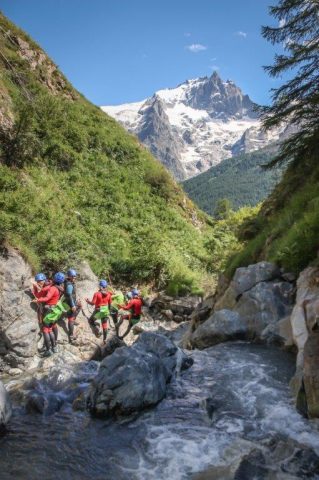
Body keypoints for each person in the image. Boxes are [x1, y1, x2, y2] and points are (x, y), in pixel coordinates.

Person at [37, 272, 65, 357]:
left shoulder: (53, 288)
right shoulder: (60, 288)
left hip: (49, 310)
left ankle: (48, 350)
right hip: (55, 310)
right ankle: (54, 347)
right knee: (50, 330)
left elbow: (47, 298)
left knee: (45, 330)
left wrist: (38, 300)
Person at [64, 269, 81, 343]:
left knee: (80, 306)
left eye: (75, 276)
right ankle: (71, 335)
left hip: (71, 301)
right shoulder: (69, 285)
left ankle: (74, 319)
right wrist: (73, 305)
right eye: (73, 276)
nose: (74, 277)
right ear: (69, 276)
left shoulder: (70, 282)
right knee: (70, 319)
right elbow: (69, 295)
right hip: (69, 303)